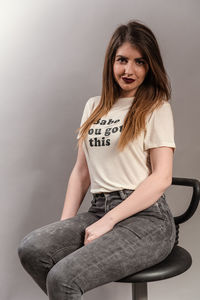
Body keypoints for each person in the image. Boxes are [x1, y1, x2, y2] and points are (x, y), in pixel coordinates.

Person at [18, 20, 176, 300]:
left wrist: (110, 221)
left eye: (140, 62)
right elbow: (81, 173)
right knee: (31, 248)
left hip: (147, 219)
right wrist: (63, 227)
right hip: (99, 208)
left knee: (63, 279)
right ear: (111, 62)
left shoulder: (156, 107)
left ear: (150, 66)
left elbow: (161, 177)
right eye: (122, 60)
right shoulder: (95, 106)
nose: (129, 70)